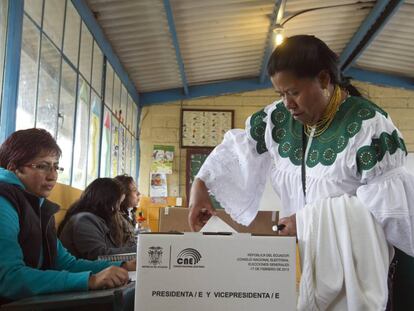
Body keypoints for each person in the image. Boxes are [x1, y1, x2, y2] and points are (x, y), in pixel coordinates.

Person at [188, 35, 414, 310]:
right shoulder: (278, 120)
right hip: (298, 265)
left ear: (323, 79)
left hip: (353, 277)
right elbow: (238, 148)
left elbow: (391, 213)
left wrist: (306, 222)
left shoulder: (368, 126)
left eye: (293, 92)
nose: (287, 103)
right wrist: (199, 185)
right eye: (280, 94)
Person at [0, 128, 135, 305]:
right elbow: (9, 278)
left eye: (56, 167)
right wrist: (90, 280)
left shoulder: (37, 206)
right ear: (14, 168)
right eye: (42, 166)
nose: (52, 176)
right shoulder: (4, 201)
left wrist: (123, 266)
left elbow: (66, 263)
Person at [58, 178, 137, 260]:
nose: (117, 208)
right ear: (107, 200)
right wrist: (139, 250)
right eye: (117, 203)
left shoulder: (98, 220)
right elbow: (99, 255)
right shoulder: (84, 220)